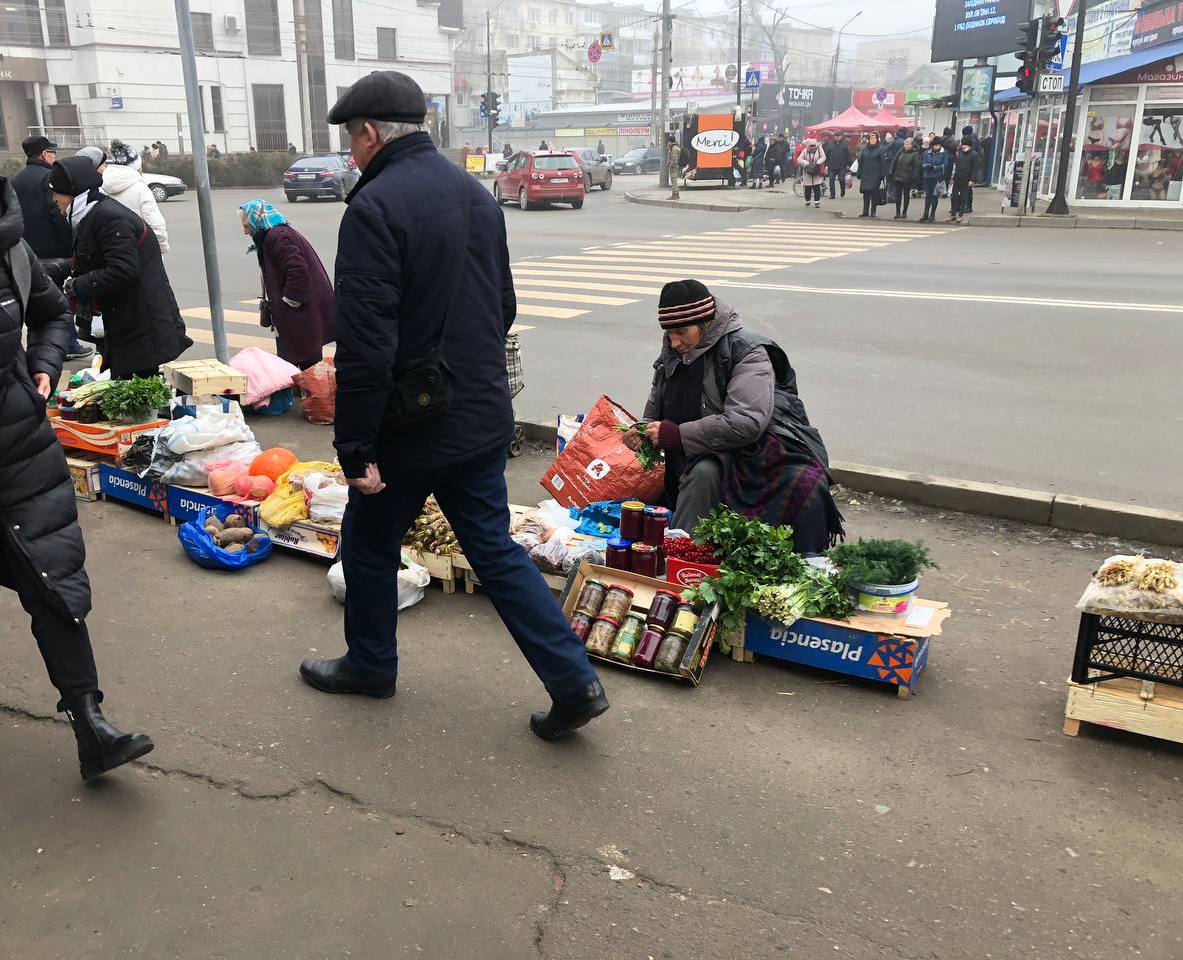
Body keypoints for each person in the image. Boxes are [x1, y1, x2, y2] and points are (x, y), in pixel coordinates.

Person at [301, 70, 609, 742]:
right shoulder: (475, 194)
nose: (351, 154)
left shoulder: (374, 208)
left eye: (352, 141)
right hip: (480, 415)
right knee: (495, 550)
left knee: (372, 543)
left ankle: (371, 665)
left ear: (371, 132)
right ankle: (574, 681)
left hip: (410, 429)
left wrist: (355, 446)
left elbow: (365, 343)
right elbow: (503, 307)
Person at [0, 99, 154, 782]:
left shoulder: (8, 248)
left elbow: (51, 315)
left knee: (53, 582)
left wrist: (44, 363)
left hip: (17, 444)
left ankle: (90, 721)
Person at [630, 279, 842, 548]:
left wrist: (676, 435)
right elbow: (654, 412)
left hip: (753, 453)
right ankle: (683, 558)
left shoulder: (748, 351)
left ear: (706, 323)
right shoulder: (671, 355)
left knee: (707, 473)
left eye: (682, 331)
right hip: (699, 449)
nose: (674, 342)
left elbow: (746, 422)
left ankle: (680, 557)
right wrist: (644, 431)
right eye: (669, 332)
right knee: (697, 471)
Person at [48, 156, 191, 378]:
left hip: (141, 323)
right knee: (128, 391)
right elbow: (96, 258)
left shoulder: (108, 218)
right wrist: (59, 269)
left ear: (74, 192)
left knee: (138, 396)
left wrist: (75, 286)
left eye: (57, 192)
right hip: (127, 320)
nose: (54, 198)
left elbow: (124, 270)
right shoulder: (94, 214)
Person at [10, 134, 93, 361]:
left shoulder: (16, 180)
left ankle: (53, 344)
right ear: (45, 154)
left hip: (28, 250)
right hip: (54, 251)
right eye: (53, 153)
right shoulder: (48, 177)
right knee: (60, 299)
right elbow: (57, 214)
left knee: (39, 300)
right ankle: (68, 343)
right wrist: (72, 242)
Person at [238, 198, 335, 370]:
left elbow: (298, 271)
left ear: (257, 220)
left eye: (247, 226)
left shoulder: (277, 237)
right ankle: (304, 392)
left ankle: (307, 394)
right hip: (301, 312)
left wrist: (287, 303)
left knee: (305, 362)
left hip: (300, 313)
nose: (245, 232)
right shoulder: (275, 234)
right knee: (300, 358)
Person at [99, 141, 169, 254]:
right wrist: (161, 249)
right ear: (137, 166)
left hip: (112, 253)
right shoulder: (141, 189)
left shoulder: (101, 187)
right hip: (141, 252)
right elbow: (156, 225)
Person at [856, 132, 886, 218]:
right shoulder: (865, 149)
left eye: (874, 138)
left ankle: (873, 211)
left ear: (877, 139)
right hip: (865, 174)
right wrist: (859, 172)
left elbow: (883, 163)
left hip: (875, 174)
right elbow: (861, 162)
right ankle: (865, 211)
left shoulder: (880, 149)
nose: (872, 140)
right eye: (871, 138)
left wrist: (882, 174)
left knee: (874, 193)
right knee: (866, 193)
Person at [889, 137, 920, 219]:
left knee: (906, 195)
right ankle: (897, 212)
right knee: (898, 195)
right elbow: (894, 161)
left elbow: (917, 167)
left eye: (908, 144)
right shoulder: (900, 151)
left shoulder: (915, 153)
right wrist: (891, 171)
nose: (906, 145)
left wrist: (913, 177)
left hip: (908, 177)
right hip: (898, 176)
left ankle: (904, 212)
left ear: (912, 145)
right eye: (905, 144)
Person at [919, 139, 949, 222]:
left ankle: (932, 214)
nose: (937, 147)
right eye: (935, 145)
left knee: (935, 196)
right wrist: (926, 166)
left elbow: (945, 164)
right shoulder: (926, 153)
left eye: (938, 145)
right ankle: (925, 213)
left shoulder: (944, 153)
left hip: (937, 176)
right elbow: (922, 163)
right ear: (932, 145)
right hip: (927, 176)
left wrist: (935, 168)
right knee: (928, 195)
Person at [949, 137, 977, 223]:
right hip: (957, 177)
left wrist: (972, 180)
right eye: (962, 144)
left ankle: (960, 215)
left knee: (963, 197)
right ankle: (953, 214)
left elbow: (975, 168)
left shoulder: (974, 154)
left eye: (964, 144)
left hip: (966, 179)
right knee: (953, 196)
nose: (963, 146)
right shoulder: (960, 153)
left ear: (969, 145)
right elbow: (956, 166)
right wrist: (953, 178)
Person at [796, 136, 826, 208]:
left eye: (813, 146)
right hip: (807, 171)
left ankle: (817, 201)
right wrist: (805, 162)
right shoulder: (805, 150)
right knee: (807, 187)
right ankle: (807, 201)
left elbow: (823, 157)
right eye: (811, 146)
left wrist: (819, 162)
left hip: (816, 170)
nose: (812, 147)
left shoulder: (819, 149)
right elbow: (799, 159)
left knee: (817, 187)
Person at [825, 130, 851, 199]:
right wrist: (826, 164)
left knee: (841, 179)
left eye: (838, 136)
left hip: (842, 166)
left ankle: (843, 189)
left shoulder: (845, 144)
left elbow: (848, 155)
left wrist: (848, 164)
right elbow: (826, 155)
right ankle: (832, 194)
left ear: (841, 136)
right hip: (831, 166)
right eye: (835, 136)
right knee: (831, 180)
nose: (836, 137)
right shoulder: (830, 145)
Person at [667, 133, 682, 200]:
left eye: (668, 141)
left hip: (674, 167)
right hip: (675, 166)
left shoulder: (674, 148)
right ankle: (675, 194)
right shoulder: (674, 147)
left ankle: (675, 194)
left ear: (670, 141)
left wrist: (671, 164)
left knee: (674, 180)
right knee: (674, 180)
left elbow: (674, 158)